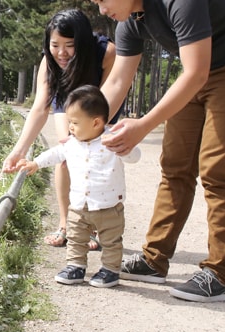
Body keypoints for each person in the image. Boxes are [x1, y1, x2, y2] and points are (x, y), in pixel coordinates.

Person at [77, 0, 225, 302]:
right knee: (175, 167)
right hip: (199, 74)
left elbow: (196, 71)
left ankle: (218, 274)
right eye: (96, 3)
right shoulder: (129, 22)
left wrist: (143, 125)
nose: (102, 11)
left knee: (217, 171)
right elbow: (119, 81)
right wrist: (86, 127)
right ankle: (154, 260)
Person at [1, 8, 116, 250]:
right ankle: (67, 224)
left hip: (100, 105)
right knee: (67, 155)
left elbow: (107, 99)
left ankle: (93, 225)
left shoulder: (106, 53)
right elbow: (40, 108)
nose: (61, 53)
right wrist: (19, 151)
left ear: (82, 42)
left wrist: (92, 131)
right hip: (67, 102)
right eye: (55, 45)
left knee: (95, 158)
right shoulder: (49, 60)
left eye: (69, 45)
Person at [15, 85, 141, 287]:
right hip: (79, 205)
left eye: (74, 122)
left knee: (111, 242)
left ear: (96, 122)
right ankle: (76, 266)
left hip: (109, 206)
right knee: (75, 238)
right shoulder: (72, 143)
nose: (70, 127)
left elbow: (135, 157)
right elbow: (55, 153)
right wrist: (35, 163)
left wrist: (125, 147)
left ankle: (110, 270)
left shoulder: (111, 141)